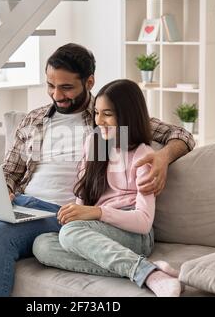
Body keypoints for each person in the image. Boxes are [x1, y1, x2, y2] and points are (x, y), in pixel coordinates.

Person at [0, 43, 195, 297]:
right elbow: (9, 172)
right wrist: (4, 190)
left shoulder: (106, 120)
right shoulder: (34, 119)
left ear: (89, 81)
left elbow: (181, 135)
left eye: (67, 88)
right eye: (50, 85)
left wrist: (163, 158)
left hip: (59, 212)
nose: (56, 95)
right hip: (21, 204)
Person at [32, 79, 182, 297]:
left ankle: (147, 274)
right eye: (96, 113)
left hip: (134, 234)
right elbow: (84, 194)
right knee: (42, 245)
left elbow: (143, 222)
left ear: (127, 115)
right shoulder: (96, 145)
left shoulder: (142, 156)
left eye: (108, 114)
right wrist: (78, 214)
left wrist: (95, 213)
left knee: (71, 233)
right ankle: (146, 269)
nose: (99, 121)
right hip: (99, 229)